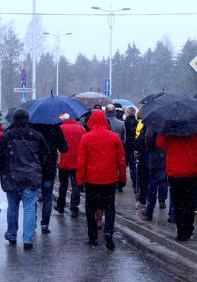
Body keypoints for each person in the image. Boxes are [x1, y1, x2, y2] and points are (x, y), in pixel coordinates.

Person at [0, 109, 48, 250]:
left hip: (11, 177)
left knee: (12, 207)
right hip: (31, 177)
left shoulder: (7, 135)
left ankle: (11, 234)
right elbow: (44, 156)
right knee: (29, 208)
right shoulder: (36, 135)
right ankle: (28, 238)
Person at [76, 110, 126, 250]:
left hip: (92, 180)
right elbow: (121, 160)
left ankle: (92, 237)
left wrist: (79, 181)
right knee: (109, 207)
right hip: (109, 179)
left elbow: (81, 162)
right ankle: (108, 231)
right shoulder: (114, 137)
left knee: (90, 209)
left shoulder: (86, 138)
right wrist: (122, 178)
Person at [157, 128, 197, 242]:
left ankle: (181, 231)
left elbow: (160, 143)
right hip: (192, 169)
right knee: (190, 201)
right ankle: (188, 229)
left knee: (178, 202)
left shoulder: (171, 127)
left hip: (175, 169)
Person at [31, 123, 68, 234]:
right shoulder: (55, 128)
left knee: (32, 196)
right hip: (49, 167)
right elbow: (64, 148)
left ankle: (31, 223)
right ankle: (45, 224)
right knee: (47, 197)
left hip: (35, 167)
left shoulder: (33, 128)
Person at [54, 114, 86, 218]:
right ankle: (74, 207)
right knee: (76, 186)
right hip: (77, 162)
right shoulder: (81, 129)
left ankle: (61, 206)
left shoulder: (60, 128)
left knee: (63, 185)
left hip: (63, 161)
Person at [142, 126, 167, 220]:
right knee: (164, 181)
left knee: (152, 185)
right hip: (166, 156)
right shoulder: (169, 123)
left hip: (155, 156)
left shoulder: (153, 123)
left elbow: (148, 137)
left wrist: (150, 149)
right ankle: (163, 200)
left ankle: (149, 211)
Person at [124, 107, 139, 193]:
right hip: (134, 146)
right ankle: (135, 184)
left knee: (122, 165)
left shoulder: (125, 122)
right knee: (133, 167)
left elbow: (124, 135)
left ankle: (120, 183)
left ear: (129, 112)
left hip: (127, 147)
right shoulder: (137, 123)